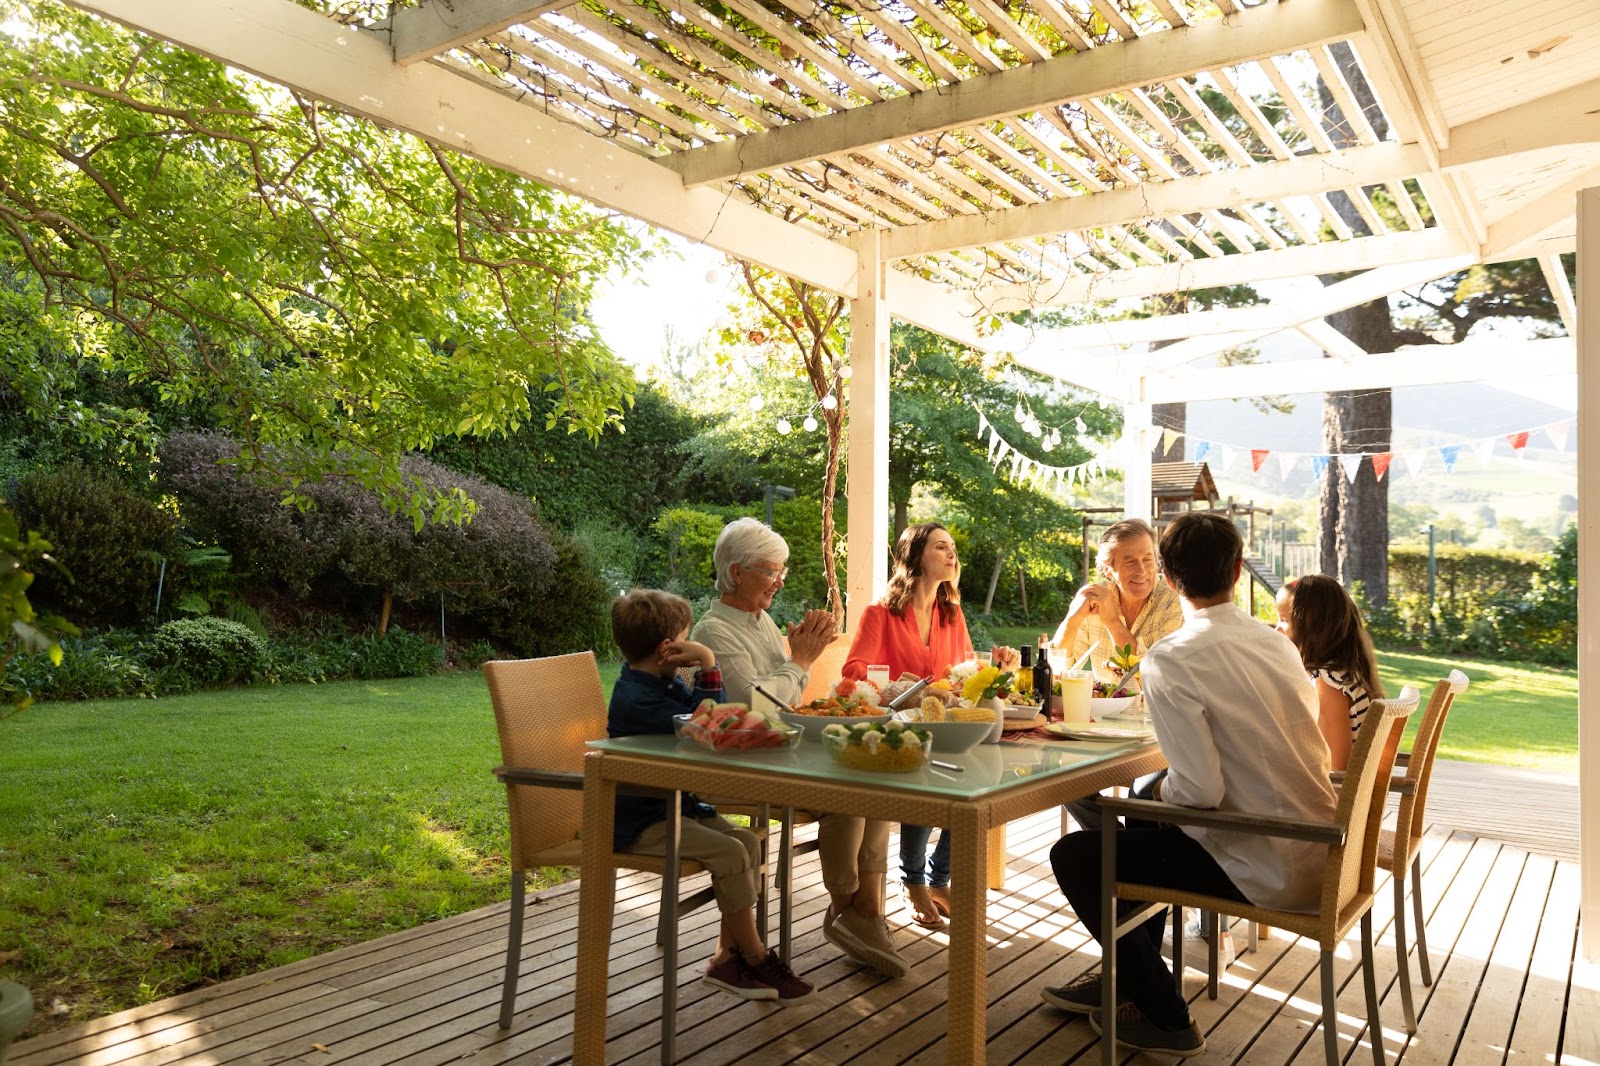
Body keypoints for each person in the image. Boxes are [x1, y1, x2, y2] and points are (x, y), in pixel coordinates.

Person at [1044, 511, 1336, 1057]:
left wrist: (1157, 793)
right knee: (1140, 814)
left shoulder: (1172, 658)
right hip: (1319, 846)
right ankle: (1127, 980)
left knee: (1078, 854)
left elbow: (1198, 793)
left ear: (1171, 580)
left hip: (1261, 862)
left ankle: (1165, 1014)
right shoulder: (1276, 643)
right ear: (1238, 570)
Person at [692, 519, 909, 979]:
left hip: (779, 753)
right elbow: (754, 709)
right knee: (846, 787)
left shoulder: (762, 621)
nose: (781, 579)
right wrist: (799, 661)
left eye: (782, 570)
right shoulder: (714, 632)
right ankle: (847, 907)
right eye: (772, 571)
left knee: (876, 775)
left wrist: (797, 663)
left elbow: (787, 702)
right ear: (736, 573)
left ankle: (865, 908)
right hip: (741, 762)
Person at [607, 588, 813, 1005]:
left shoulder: (662, 685)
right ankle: (755, 957)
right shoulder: (638, 699)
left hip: (677, 807)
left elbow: (723, 714)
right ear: (669, 648)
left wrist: (706, 666)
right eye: (685, 637)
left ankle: (728, 955)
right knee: (731, 853)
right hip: (643, 822)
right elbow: (716, 724)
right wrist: (706, 660)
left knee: (747, 842)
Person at [840, 522, 999, 930]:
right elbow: (854, 670)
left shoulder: (952, 613)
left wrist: (991, 671)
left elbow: (963, 668)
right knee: (932, 767)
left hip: (944, 722)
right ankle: (914, 880)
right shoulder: (881, 614)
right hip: (898, 725)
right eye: (941, 547)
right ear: (915, 557)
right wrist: (897, 684)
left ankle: (939, 874)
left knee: (982, 776)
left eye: (952, 547)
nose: (952, 554)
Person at [1051, 518, 1183, 683]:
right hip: (1102, 709)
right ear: (1107, 570)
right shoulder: (1094, 599)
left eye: (1147, 560)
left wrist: (1112, 621)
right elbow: (1056, 671)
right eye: (1130, 562)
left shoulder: (1175, 600)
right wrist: (1073, 619)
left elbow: (1157, 676)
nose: (1141, 571)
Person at [1275, 575, 1383, 771]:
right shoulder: (1346, 674)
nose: (1277, 629)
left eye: (1284, 620)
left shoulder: (1328, 685)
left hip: (1331, 799)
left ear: (1315, 628)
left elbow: (1337, 770)